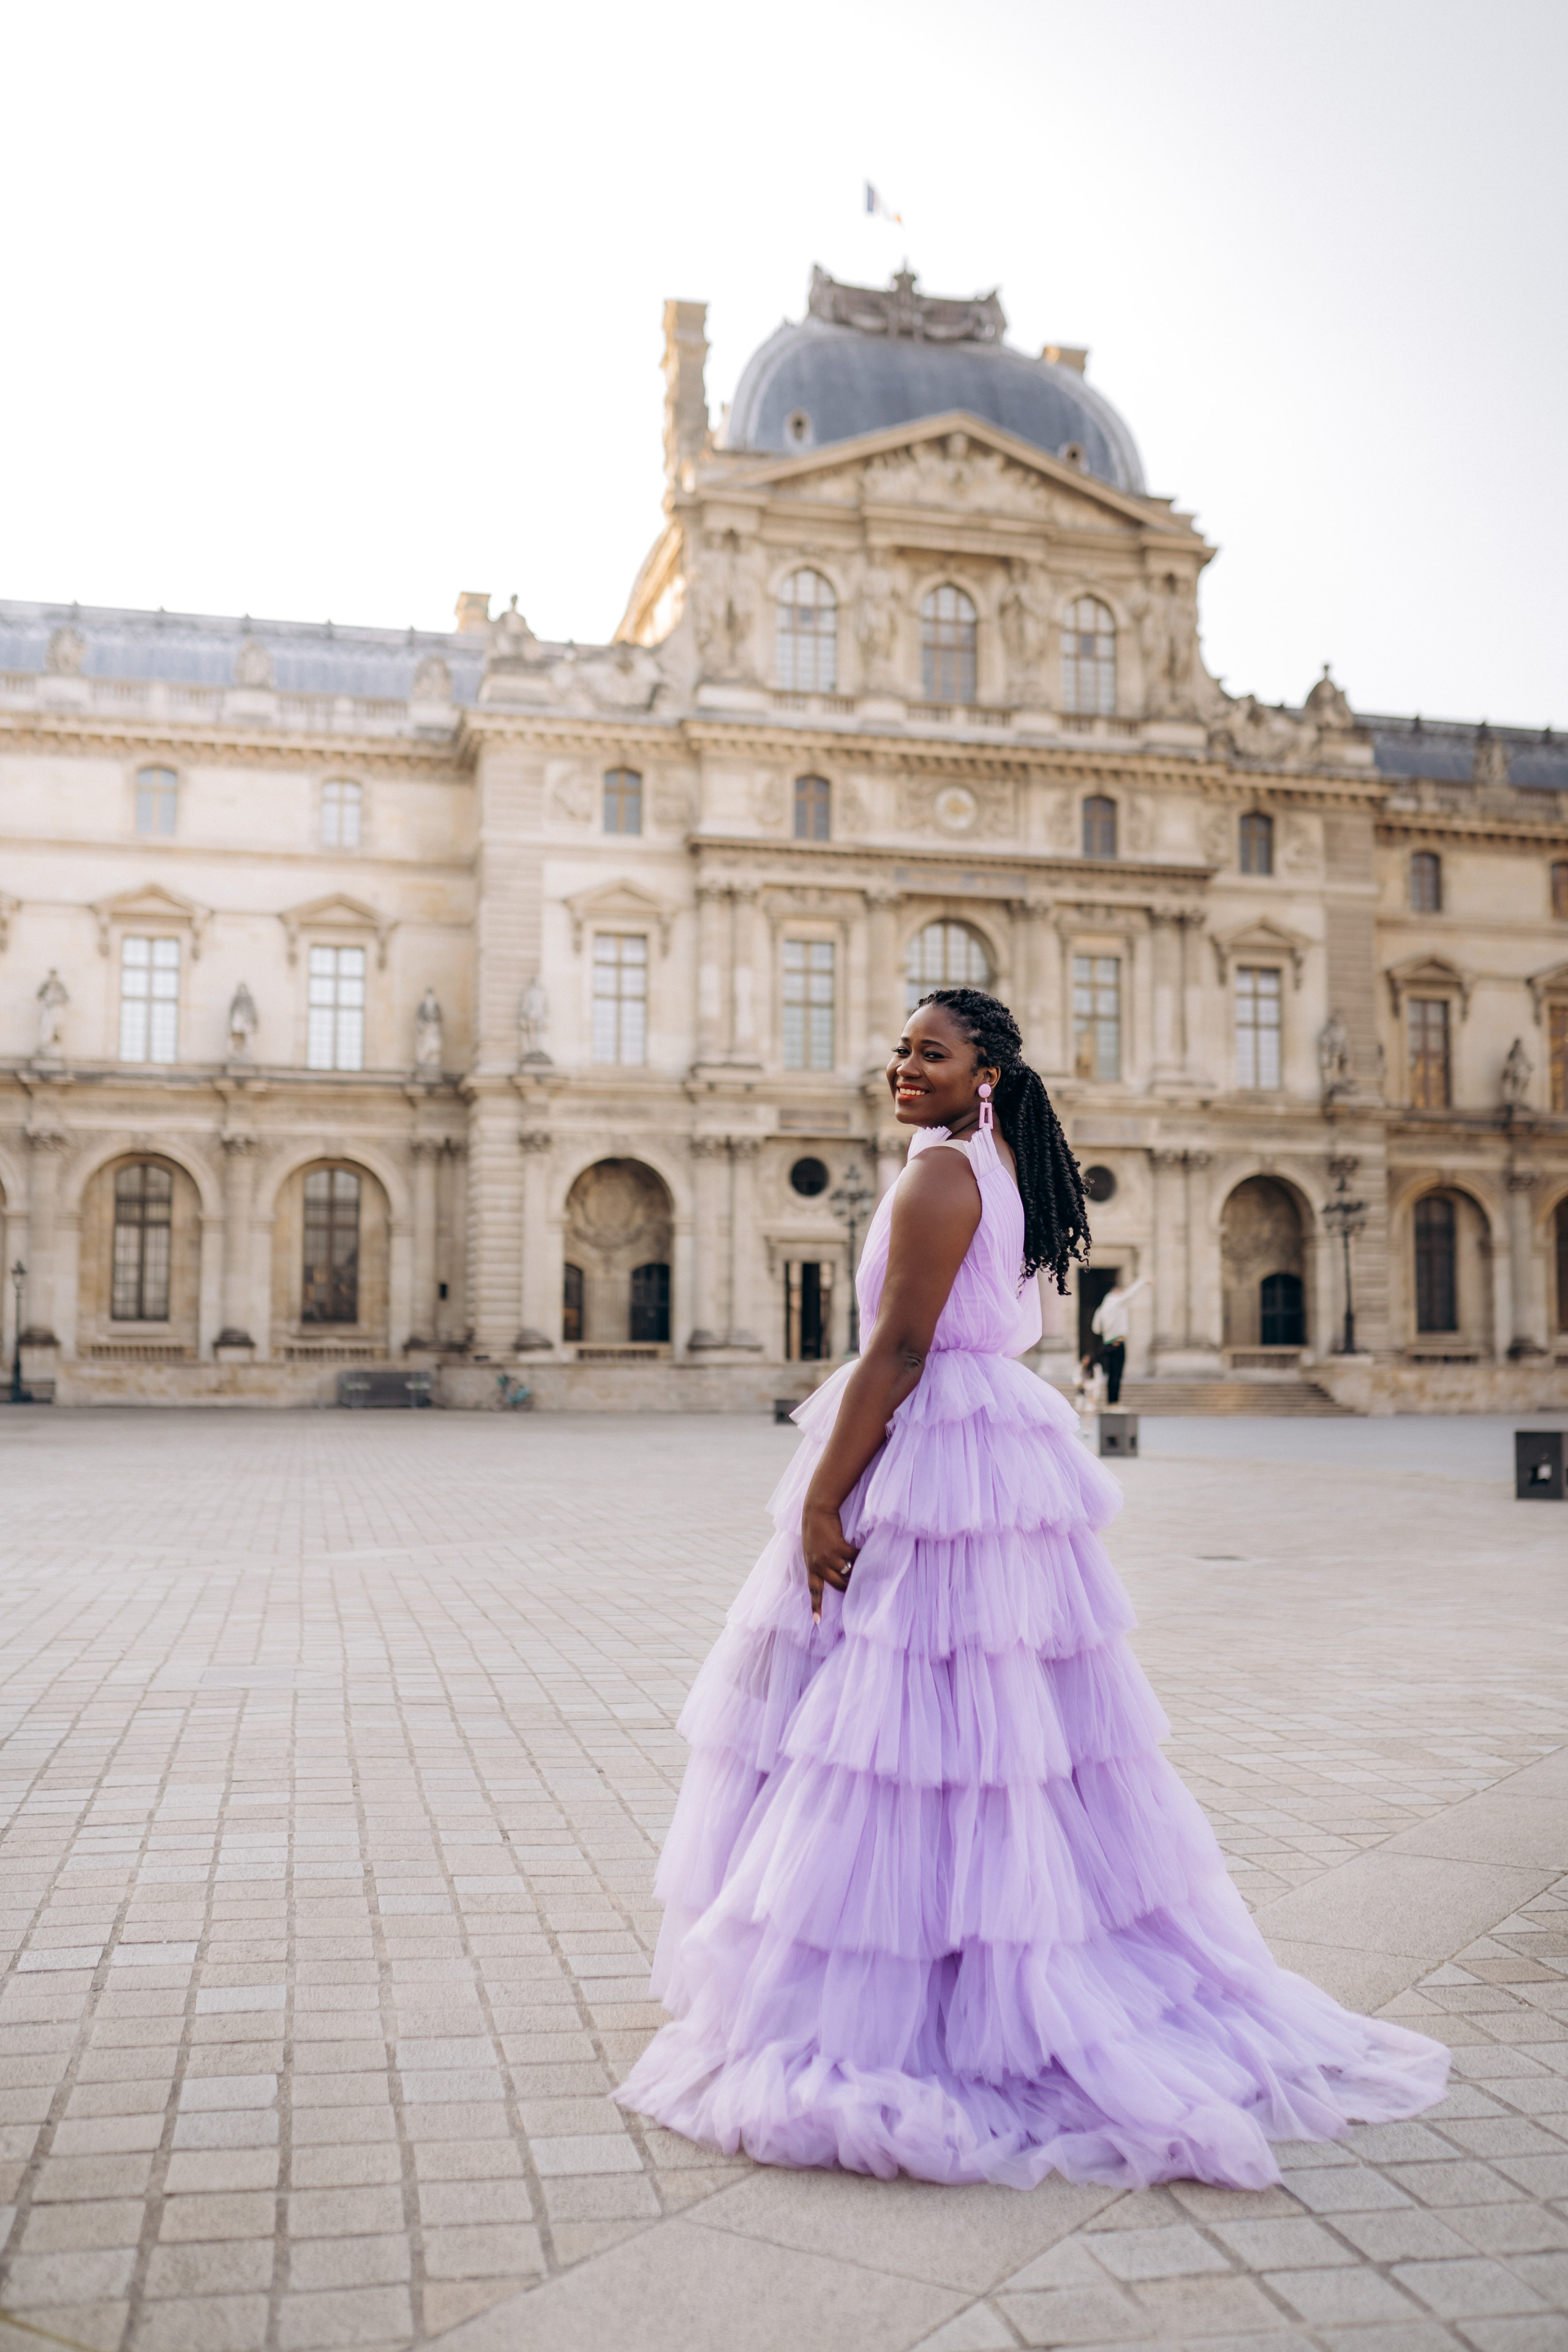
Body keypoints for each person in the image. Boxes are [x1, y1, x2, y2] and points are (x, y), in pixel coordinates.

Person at [615, 988, 1448, 2188]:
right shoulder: (999, 1166)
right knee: (993, 1729)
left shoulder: (940, 1176)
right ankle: (992, 1975)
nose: (903, 1065)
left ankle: (906, 2001)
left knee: (890, 1730)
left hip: (928, 1455)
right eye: (899, 1046)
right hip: (992, 1452)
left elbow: (897, 1351)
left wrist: (817, 1499)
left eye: (931, 1053)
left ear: (986, 1074)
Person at [1091, 1274, 1152, 1405]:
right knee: (1117, 1375)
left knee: (1111, 1375)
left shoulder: (1101, 1308)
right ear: (1116, 1292)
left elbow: (1096, 1329)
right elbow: (1130, 1294)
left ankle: (1110, 1402)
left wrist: (1108, 1330)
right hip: (1118, 1343)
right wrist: (1144, 1281)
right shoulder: (1116, 1302)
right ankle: (1115, 1402)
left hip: (1107, 1344)